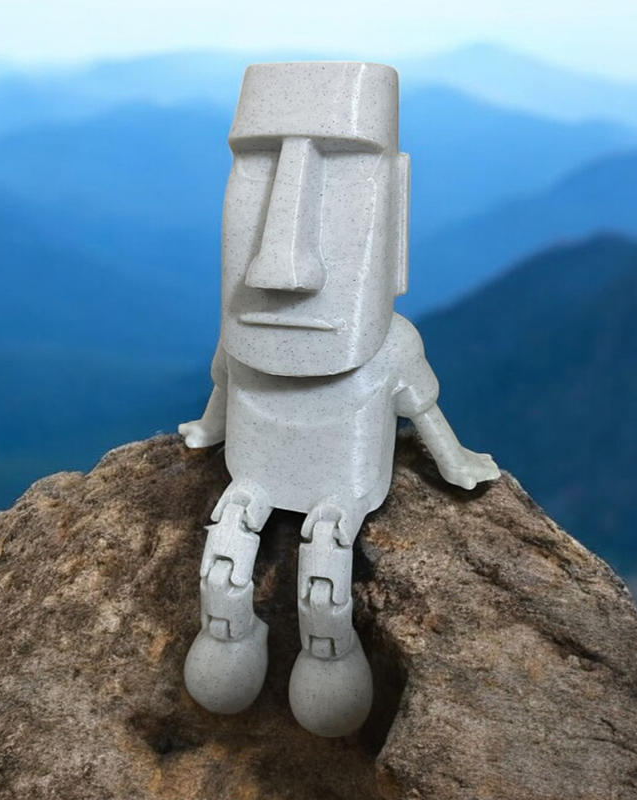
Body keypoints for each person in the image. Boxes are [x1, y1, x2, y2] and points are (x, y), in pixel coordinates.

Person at [179, 61, 499, 737]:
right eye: (257, 165)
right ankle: (233, 636)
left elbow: (423, 410)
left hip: (341, 491)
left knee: (326, 580)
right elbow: (225, 385)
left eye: (348, 172)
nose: (280, 264)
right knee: (224, 569)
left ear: (397, 210)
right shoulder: (240, 343)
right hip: (253, 473)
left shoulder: (390, 348)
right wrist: (211, 428)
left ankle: (331, 651)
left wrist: (455, 460)